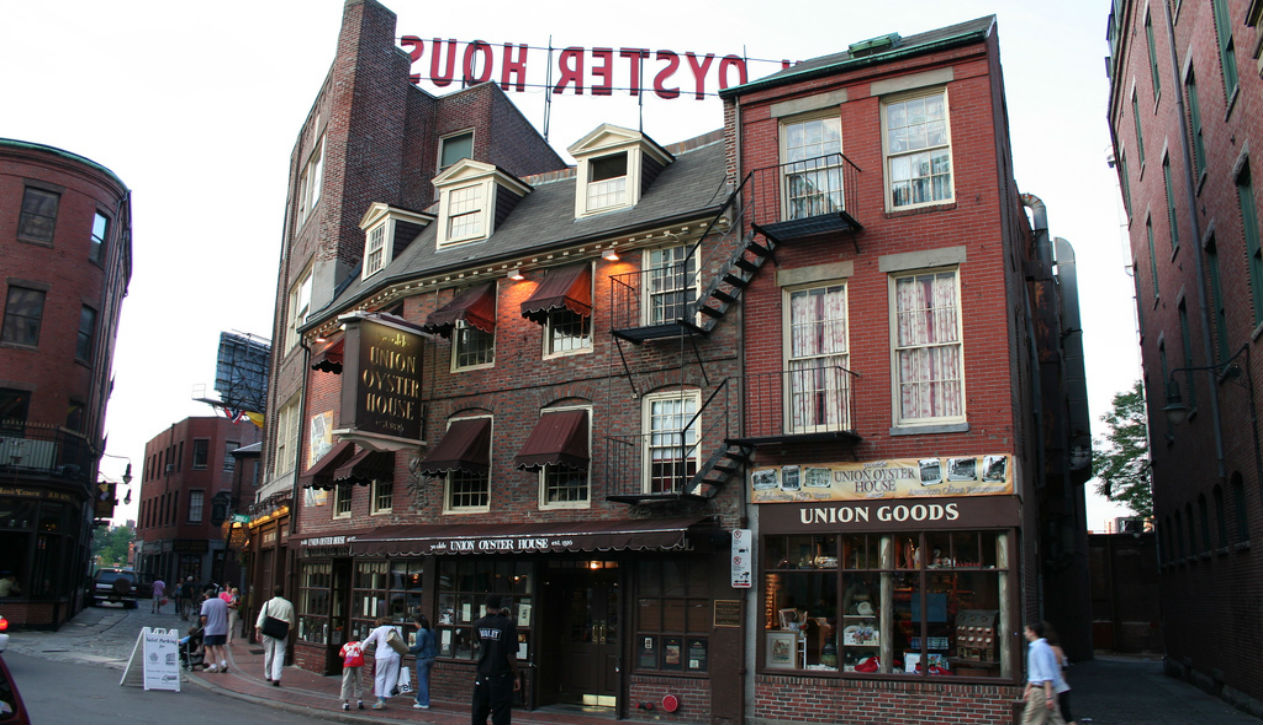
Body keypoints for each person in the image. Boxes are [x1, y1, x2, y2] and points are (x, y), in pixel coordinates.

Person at [472, 594, 518, 725]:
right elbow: (511, 654)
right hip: (501, 676)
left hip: (483, 674)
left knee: (479, 714)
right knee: (501, 715)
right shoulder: (508, 625)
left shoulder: (478, 624)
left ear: (486, 606)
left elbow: (480, 643)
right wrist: (516, 674)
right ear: (500, 606)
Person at [1021, 622, 1068, 725]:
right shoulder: (1042, 647)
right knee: (1056, 721)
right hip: (1045, 691)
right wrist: (1028, 689)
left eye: (1026, 631)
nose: (1024, 633)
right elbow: (1035, 673)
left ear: (1032, 632)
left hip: (1041, 692)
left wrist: (1048, 696)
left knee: (1030, 722)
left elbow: (1046, 674)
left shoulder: (1039, 649)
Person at [255, 585, 295, 686]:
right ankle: (276, 677)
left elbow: (261, 618)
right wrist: (289, 628)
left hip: (269, 628)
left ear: (274, 593)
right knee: (279, 653)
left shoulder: (268, 603)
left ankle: (268, 674)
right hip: (281, 629)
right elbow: (292, 620)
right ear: (283, 593)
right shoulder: (288, 604)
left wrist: (258, 631)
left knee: (268, 652)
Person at [363, 616, 404, 709]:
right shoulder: (397, 630)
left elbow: (368, 641)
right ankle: (385, 698)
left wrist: (360, 651)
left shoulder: (378, 630)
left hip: (382, 655)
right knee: (391, 677)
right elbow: (401, 643)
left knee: (380, 677)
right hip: (395, 656)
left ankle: (380, 699)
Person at [1043, 621, 1073, 723]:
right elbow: (1064, 669)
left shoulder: (1046, 650)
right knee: (1066, 717)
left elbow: (1046, 673)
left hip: (1054, 690)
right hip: (1063, 687)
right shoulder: (1058, 650)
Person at [409, 614, 437, 710]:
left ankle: (424, 702)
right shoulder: (432, 631)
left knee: (422, 680)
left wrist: (408, 649)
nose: (414, 624)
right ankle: (420, 698)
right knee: (425, 679)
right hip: (431, 657)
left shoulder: (421, 632)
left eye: (415, 622)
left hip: (422, 658)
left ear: (418, 623)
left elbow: (419, 646)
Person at [200, 589, 230, 674]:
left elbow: (204, 617)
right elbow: (227, 616)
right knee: (219, 646)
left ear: (208, 596)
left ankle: (213, 665)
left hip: (210, 629)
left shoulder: (206, 603)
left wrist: (204, 624)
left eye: (206, 596)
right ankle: (224, 662)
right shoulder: (223, 602)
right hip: (222, 628)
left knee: (208, 646)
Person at [338, 637, 366, 711]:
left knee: (346, 682)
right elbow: (363, 652)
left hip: (348, 662)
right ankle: (360, 700)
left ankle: (346, 702)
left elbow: (341, 654)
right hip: (358, 663)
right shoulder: (361, 644)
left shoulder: (346, 645)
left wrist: (349, 657)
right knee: (359, 681)